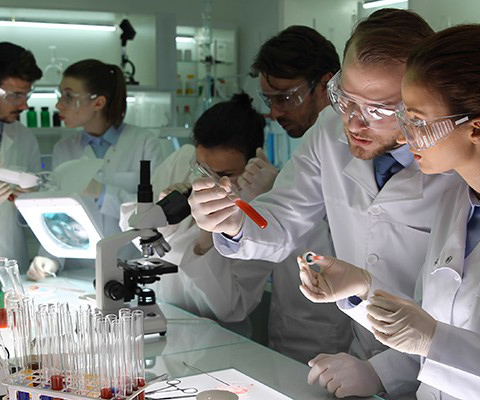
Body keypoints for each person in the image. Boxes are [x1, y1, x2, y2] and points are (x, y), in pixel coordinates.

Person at [300, 24, 480, 399]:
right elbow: (427, 332)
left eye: (417, 121)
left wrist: (435, 342)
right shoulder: (456, 199)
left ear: (478, 129)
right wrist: (363, 289)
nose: (405, 136)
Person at [188, 10, 462, 398]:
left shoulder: (456, 164)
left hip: (440, 373)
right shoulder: (329, 130)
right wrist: (230, 221)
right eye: (344, 99)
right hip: (358, 351)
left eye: (380, 110)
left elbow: (463, 317)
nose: (353, 123)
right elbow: (281, 220)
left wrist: (382, 372)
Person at [121, 93, 352, 362]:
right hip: (165, 322)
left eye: (225, 175)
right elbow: (134, 228)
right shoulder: (182, 163)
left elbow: (229, 307)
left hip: (219, 344)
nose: (211, 182)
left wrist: (207, 238)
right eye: (202, 169)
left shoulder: (258, 207)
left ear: (252, 162)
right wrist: (160, 213)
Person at [27, 59, 163, 280]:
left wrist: (103, 193)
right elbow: (57, 214)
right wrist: (50, 257)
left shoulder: (144, 143)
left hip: (132, 269)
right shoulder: (64, 149)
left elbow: (157, 213)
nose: (59, 105)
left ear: (98, 102)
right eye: (60, 95)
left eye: (69, 96)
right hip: (78, 272)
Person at [254, 25, 339, 138]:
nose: (274, 114)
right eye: (269, 100)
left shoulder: (358, 148)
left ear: (325, 85)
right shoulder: (316, 145)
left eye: (285, 98)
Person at [0, 42, 42, 271]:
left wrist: (31, 198)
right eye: (15, 95)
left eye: (26, 95)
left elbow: (35, 211)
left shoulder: (24, 137)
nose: (24, 105)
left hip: (12, 263)